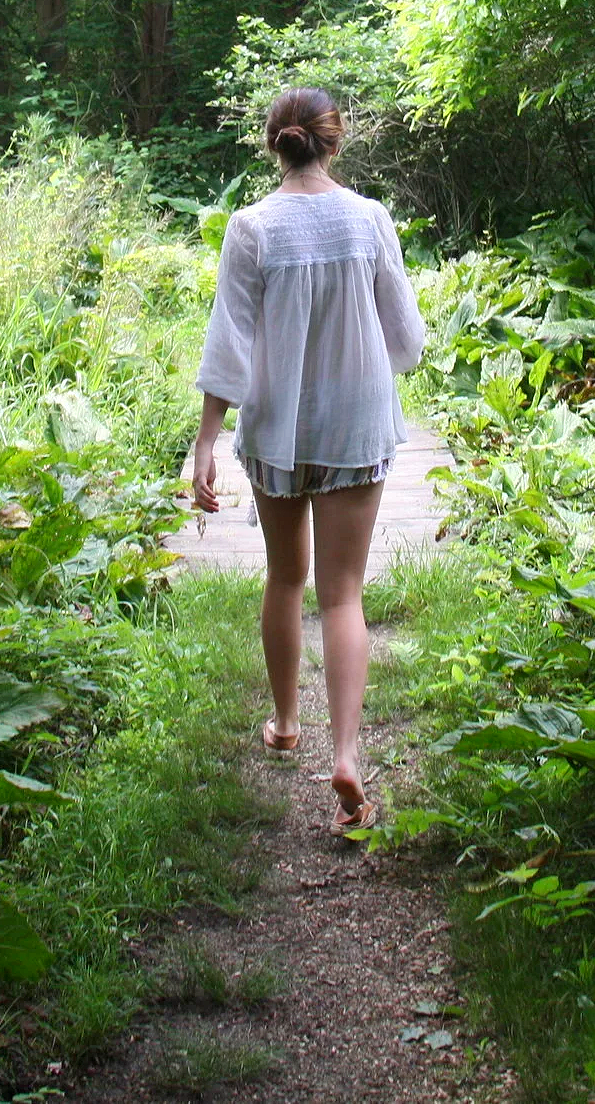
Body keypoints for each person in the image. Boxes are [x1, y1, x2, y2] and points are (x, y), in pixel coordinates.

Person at [190, 87, 426, 834]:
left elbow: (229, 342)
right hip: (356, 427)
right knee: (344, 593)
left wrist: (205, 440)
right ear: (336, 141)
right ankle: (348, 754)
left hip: (277, 430)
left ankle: (287, 723)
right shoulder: (369, 218)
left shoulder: (251, 227)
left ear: (275, 144)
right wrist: (365, 361)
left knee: (286, 577)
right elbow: (408, 340)